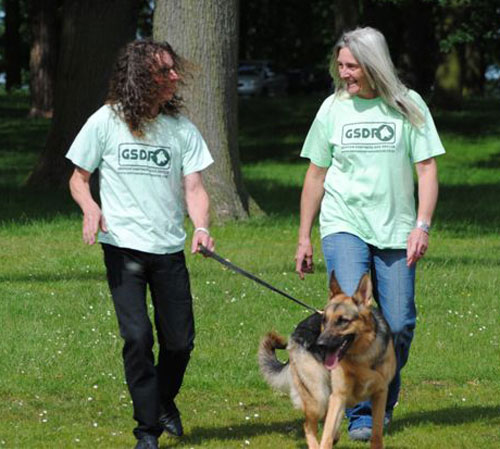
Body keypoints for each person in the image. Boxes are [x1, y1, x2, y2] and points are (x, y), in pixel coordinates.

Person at [295, 27, 445, 441]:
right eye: (340, 65)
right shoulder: (332, 109)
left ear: (373, 64)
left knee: (398, 322)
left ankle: (382, 393)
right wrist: (305, 235)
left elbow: (427, 169)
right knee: (351, 315)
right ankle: (361, 413)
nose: (343, 73)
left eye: (351, 66)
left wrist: (422, 225)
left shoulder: (408, 106)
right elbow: (316, 173)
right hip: (344, 222)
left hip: (397, 227)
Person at [66, 40, 215, 449]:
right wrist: (90, 208)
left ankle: (162, 400)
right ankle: (146, 430)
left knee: (180, 341)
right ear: (140, 78)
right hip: (123, 247)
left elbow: (195, 187)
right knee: (137, 337)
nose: (175, 77)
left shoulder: (181, 129)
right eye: (164, 72)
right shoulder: (105, 121)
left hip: (168, 249)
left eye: (173, 70)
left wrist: (200, 227)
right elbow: (78, 178)